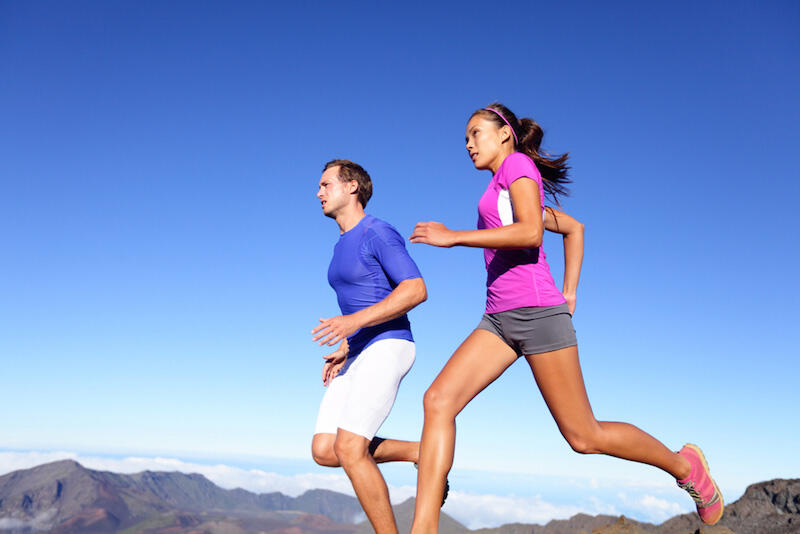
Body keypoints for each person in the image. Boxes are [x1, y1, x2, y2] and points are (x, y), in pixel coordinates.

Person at [408, 103, 723, 533]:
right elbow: (574, 229)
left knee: (583, 436)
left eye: (475, 134)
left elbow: (530, 234)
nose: (467, 144)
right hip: (499, 320)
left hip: (538, 315)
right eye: (464, 138)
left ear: (505, 134)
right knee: (438, 401)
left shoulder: (518, 165)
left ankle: (684, 467)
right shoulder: (504, 190)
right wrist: (570, 291)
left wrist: (455, 236)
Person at [310, 159, 428, 534]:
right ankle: (418, 451)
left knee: (350, 449)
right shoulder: (340, 245)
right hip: (358, 350)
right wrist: (347, 344)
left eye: (326, 184)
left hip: (389, 344)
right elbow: (365, 300)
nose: (319, 193)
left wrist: (353, 324)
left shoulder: (377, 232)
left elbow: (415, 289)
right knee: (325, 450)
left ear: (352, 188)